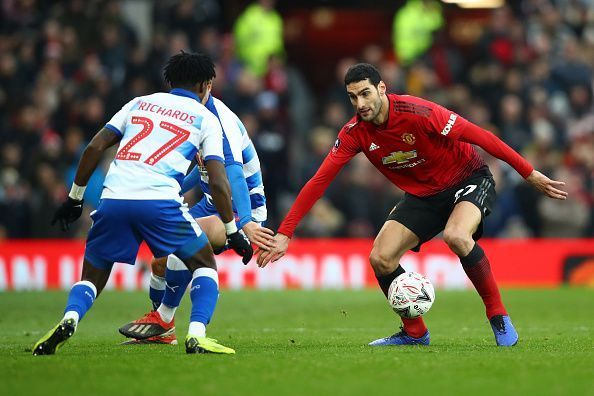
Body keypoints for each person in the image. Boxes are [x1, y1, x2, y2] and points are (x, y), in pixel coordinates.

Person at [257, 63, 568, 347]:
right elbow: (319, 181)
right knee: (380, 258)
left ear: (381, 88)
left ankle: (498, 316)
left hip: (468, 178)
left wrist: (530, 174)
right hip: (424, 196)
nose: (360, 104)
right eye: (353, 98)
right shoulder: (355, 133)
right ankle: (415, 332)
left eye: (365, 93)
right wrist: (286, 232)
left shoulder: (419, 112)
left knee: (457, 237)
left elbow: (483, 137)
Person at [33, 52, 254, 356]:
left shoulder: (138, 103)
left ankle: (70, 317)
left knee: (92, 278)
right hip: (159, 200)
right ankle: (196, 335)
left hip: (113, 198)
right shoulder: (206, 118)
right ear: (205, 85)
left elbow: (94, 147)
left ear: (169, 82)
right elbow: (218, 180)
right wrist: (232, 230)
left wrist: (74, 198)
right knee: (204, 264)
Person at [119, 76, 272, 345]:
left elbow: (233, 175)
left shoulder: (221, 121)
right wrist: (172, 185)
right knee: (160, 261)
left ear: (207, 87)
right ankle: (162, 330)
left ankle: (166, 318)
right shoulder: (192, 114)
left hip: (241, 207)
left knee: (184, 243)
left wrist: (246, 221)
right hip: (211, 203)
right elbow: (203, 172)